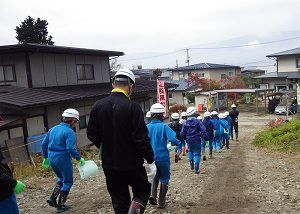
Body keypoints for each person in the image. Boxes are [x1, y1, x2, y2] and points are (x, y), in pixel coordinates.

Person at [87, 69, 154, 214]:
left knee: (119, 200)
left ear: (113, 84)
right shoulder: (133, 107)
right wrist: (150, 159)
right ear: (131, 86)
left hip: (109, 164)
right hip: (132, 163)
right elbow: (141, 138)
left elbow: (91, 134)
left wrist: (106, 146)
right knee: (142, 191)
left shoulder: (98, 105)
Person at [42, 108, 86, 213]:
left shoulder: (53, 129)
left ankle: (52, 198)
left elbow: (43, 144)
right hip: (62, 158)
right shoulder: (69, 132)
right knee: (68, 181)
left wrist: (45, 158)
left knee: (61, 178)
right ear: (72, 120)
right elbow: (70, 148)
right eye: (76, 121)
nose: (76, 124)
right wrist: (79, 158)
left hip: (51, 156)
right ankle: (60, 205)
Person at [147, 104, 181, 208]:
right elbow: (173, 139)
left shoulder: (146, 127)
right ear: (162, 115)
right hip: (163, 157)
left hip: (150, 158)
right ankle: (161, 202)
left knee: (154, 177)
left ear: (151, 114)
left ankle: (152, 195)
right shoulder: (164, 126)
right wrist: (179, 143)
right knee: (165, 177)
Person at [180, 107, 209, 174]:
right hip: (197, 140)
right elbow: (203, 131)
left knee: (190, 151)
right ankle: (196, 169)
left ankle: (191, 164)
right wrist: (206, 138)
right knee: (197, 154)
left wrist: (185, 138)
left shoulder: (185, 123)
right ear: (194, 113)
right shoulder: (198, 122)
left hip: (189, 140)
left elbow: (182, 133)